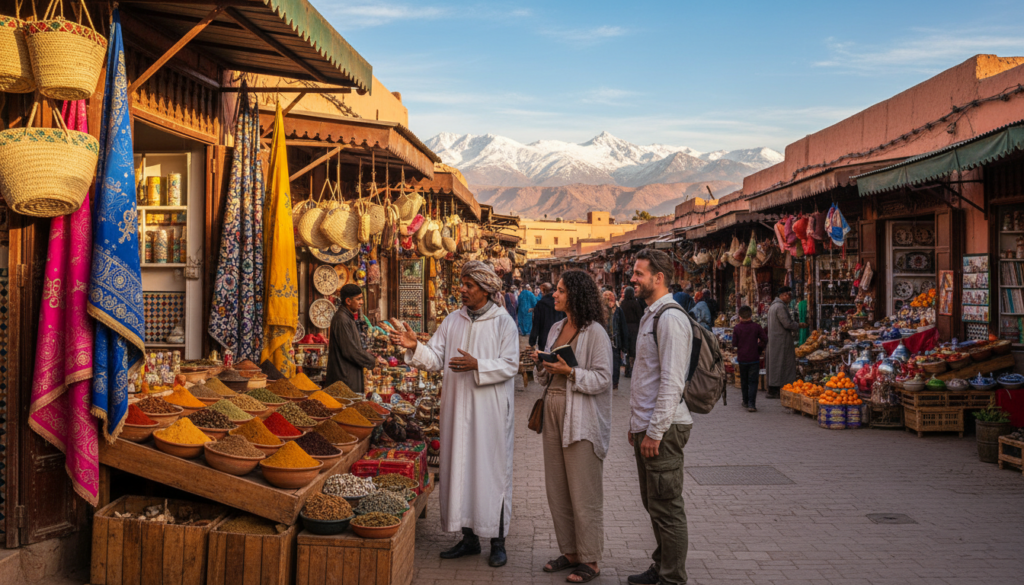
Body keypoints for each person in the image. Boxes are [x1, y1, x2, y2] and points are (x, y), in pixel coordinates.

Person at [386, 261, 519, 567]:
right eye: (462, 283)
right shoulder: (453, 320)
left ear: (485, 290)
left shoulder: (503, 323)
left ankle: (498, 541)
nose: (462, 289)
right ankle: (469, 538)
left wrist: (479, 366)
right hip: (457, 412)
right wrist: (414, 346)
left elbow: (511, 364)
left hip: (491, 415)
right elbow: (435, 358)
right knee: (463, 470)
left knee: (492, 473)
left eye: (468, 285)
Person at [533, 270, 613, 584]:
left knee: (584, 492)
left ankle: (590, 560)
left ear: (576, 295)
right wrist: (542, 364)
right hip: (552, 414)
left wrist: (571, 372)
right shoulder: (556, 327)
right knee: (558, 490)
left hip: (581, 420)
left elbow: (604, 379)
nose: (556, 294)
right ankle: (570, 552)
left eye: (562, 291)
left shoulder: (595, 333)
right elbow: (547, 377)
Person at [626, 248, 693, 585]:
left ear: (659, 277)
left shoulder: (670, 318)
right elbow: (645, 376)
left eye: (639, 274)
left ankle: (672, 578)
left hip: (663, 429)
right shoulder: (650, 315)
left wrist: (653, 431)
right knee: (654, 504)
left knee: (667, 507)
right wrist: (635, 425)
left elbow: (671, 382)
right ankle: (662, 564)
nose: (633, 279)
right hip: (648, 427)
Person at [325, 284, 386, 394]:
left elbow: (352, 345)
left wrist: (367, 353)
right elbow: (350, 350)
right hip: (344, 377)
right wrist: (373, 361)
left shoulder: (348, 317)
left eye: (362, 298)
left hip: (349, 375)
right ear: (348, 301)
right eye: (358, 299)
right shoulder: (342, 319)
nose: (361, 302)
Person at [766, 286, 800, 399]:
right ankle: (777, 388)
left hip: (775, 340)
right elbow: (787, 323)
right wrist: (798, 325)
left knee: (775, 364)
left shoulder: (773, 306)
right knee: (780, 363)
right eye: (788, 295)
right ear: (782, 295)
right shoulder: (780, 307)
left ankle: (773, 388)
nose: (789, 298)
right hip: (781, 341)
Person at [732, 305, 767, 412]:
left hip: (742, 358)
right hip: (754, 358)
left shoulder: (737, 328)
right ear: (751, 316)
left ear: (740, 317)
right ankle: (752, 404)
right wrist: (759, 347)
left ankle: (745, 401)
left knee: (744, 381)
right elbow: (765, 339)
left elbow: (734, 344)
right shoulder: (756, 327)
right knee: (753, 381)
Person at [530, 283, 566, 350]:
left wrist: (532, 341)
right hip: (559, 337)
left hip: (544, 338)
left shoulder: (540, 304)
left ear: (543, 291)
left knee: (545, 358)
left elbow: (536, 324)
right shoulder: (561, 302)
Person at [603, 290, 626, 390]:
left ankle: (611, 382)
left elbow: (622, 326)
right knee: (612, 361)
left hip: (610, 340)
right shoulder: (615, 309)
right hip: (611, 340)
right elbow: (623, 327)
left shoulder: (616, 310)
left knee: (610, 362)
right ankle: (613, 382)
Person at [620, 286, 644, 377]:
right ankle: (632, 367)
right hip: (634, 328)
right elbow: (640, 316)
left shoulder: (623, 304)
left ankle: (627, 368)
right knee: (633, 349)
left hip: (625, 328)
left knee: (626, 348)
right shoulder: (635, 303)